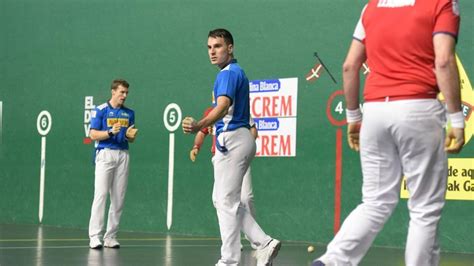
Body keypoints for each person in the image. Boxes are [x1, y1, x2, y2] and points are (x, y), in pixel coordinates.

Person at [313, 1, 465, 266]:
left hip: (374, 113)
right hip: (418, 107)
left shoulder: (371, 7)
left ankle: (331, 262)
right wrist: (456, 118)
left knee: (374, 201)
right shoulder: (442, 3)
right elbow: (443, 60)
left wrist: (353, 118)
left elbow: (350, 65)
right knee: (424, 209)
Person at [182, 28, 281, 266]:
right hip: (239, 139)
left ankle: (229, 260)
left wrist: (200, 125)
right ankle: (263, 242)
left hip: (234, 139)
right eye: (209, 47)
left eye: (217, 46)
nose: (212, 52)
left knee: (225, 201)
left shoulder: (227, 73)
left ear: (230, 48)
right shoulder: (236, 72)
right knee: (222, 200)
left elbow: (222, 105)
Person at [190, 107, 259, 250]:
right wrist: (196, 147)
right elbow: (202, 133)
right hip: (222, 160)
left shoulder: (242, 111)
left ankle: (255, 237)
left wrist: (246, 144)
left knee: (246, 198)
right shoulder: (211, 113)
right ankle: (232, 242)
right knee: (220, 201)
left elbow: (253, 131)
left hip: (240, 157)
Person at [88, 79, 138, 249]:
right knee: (101, 195)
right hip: (105, 154)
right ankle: (95, 236)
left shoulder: (129, 113)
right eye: (122, 92)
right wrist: (109, 132)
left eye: (126, 93)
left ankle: (111, 236)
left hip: (123, 155)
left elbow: (128, 138)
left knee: (118, 198)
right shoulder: (100, 110)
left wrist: (130, 136)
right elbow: (93, 134)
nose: (124, 96)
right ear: (113, 92)